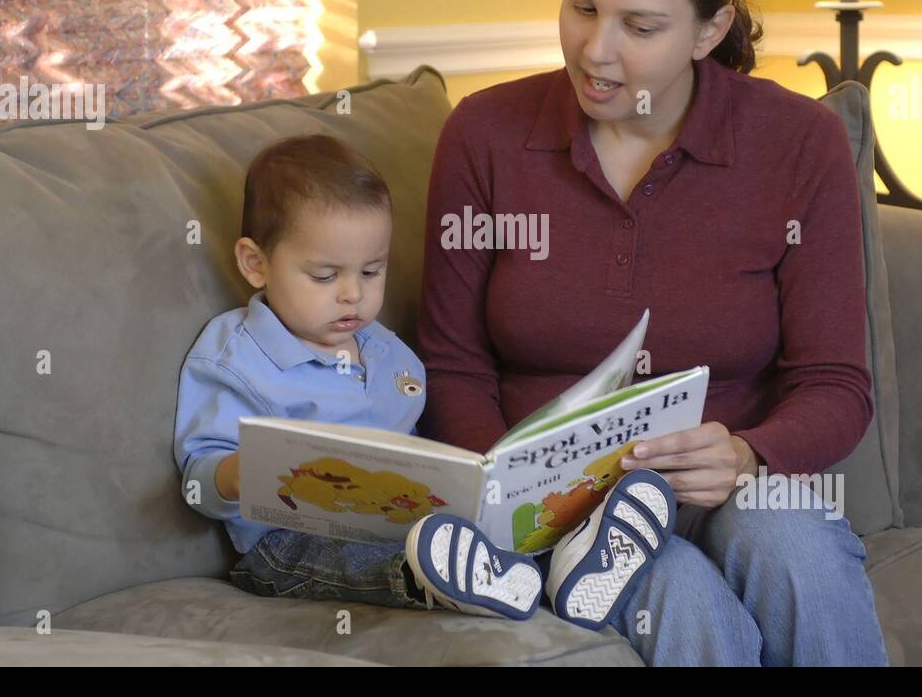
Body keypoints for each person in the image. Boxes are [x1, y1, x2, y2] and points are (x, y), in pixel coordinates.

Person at [417, 0, 890, 666]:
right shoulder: (484, 136)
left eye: (639, 26)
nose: (596, 50)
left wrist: (747, 454)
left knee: (798, 552)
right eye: (581, 7)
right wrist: (520, 504)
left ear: (710, 29)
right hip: (566, 512)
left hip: (729, 484)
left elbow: (837, 383)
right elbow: (452, 368)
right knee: (680, 592)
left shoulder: (797, 143)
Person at [172, 132, 686, 640]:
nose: (353, 295)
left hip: (407, 523)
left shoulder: (386, 350)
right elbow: (198, 481)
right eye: (325, 276)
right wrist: (240, 472)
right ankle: (443, 580)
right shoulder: (234, 356)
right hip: (286, 545)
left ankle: (570, 559)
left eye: (372, 271)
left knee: (467, 529)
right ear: (255, 263)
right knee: (389, 556)